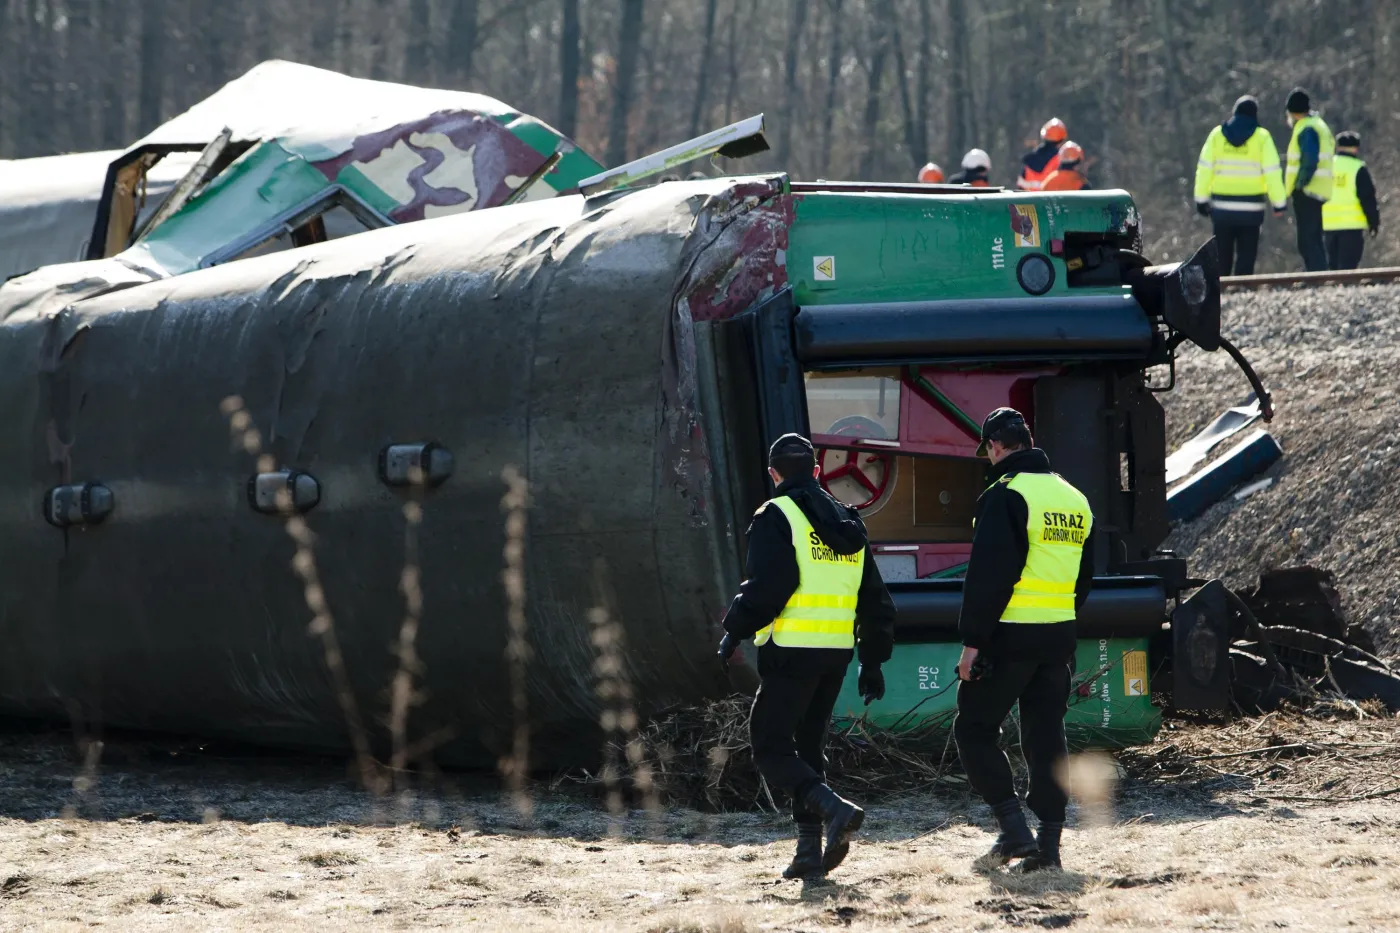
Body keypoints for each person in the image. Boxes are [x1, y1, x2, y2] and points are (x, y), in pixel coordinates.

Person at [718, 433, 896, 880]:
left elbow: (768, 588)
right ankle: (808, 854)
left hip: (791, 651)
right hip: (835, 653)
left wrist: (734, 629)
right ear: (817, 471)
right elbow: (875, 598)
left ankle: (834, 809)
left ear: (773, 474)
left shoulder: (775, 514)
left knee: (771, 746)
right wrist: (872, 660)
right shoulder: (848, 520)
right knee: (808, 748)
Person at [953, 408, 1095, 873]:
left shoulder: (1005, 493)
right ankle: (1049, 848)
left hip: (1009, 636)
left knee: (975, 730)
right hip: (1058, 637)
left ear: (995, 446)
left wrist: (973, 643)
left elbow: (989, 576)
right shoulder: (1074, 497)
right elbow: (1084, 578)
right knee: (1047, 737)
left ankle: (1013, 828)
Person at [1192, 95, 1287, 276]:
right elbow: (1272, 172)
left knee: (1222, 256)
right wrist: (1279, 203)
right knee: (1246, 255)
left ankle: (1222, 287)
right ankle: (1243, 286)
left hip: (1222, 210)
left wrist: (1201, 199)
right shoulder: (1262, 137)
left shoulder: (1217, 135)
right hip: (1251, 210)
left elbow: (1204, 169)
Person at [1283, 87, 1334, 271]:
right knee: (1314, 238)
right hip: (1319, 189)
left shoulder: (1306, 128)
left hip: (1307, 190)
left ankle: (1316, 276)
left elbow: (1310, 159)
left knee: (1307, 240)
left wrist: (1299, 185)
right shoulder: (1318, 124)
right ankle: (1319, 275)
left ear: (1293, 111)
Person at [1323, 131, 1380, 270]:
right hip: (1351, 227)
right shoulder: (1357, 168)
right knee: (1348, 269)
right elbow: (1368, 199)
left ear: (1337, 147)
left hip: (1327, 226)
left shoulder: (1325, 166)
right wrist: (1373, 222)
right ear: (1356, 148)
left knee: (1331, 269)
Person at [1017, 119, 1068, 191]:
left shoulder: (1030, 160)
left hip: (1028, 198)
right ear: (1062, 140)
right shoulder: (1060, 160)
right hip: (1050, 198)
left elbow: (1020, 185)